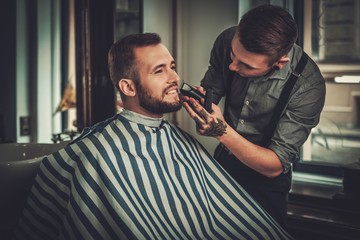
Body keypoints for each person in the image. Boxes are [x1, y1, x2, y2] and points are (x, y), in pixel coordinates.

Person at [14, 33, 292, 240]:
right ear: (128, 87)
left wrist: (220, 128)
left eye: (172, 66)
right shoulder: (98, 153)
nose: (174, 77)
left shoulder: (177, 139)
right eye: (160, 71)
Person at [182, 4, 325, 228]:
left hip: (266, 182)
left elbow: (275, 164)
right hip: (223, 163)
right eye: (232, 55)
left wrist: (220, 130)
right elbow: (211, 92)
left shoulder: (308, 86)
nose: (232, 65)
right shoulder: (227, 39)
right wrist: (199, 106)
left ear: (279, 63)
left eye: (245, 65)